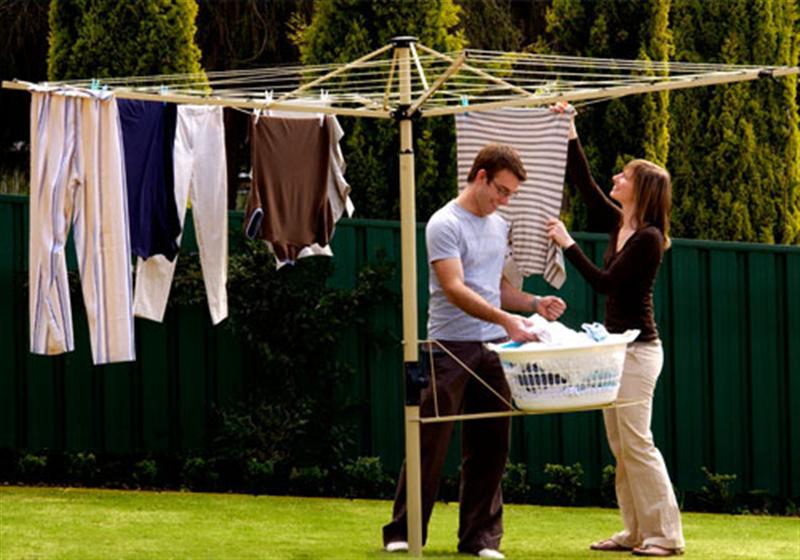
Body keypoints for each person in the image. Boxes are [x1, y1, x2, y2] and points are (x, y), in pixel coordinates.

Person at [382, 144, 566, 559]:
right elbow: (455, 287)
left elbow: (497, 289)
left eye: (510, 195)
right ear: (480, 177)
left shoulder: (499, 225)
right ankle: (404, 532)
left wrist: (534, 304)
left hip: (494, 348)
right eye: (501, 191)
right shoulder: (444, 223)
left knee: (492, 445)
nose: (504, 200)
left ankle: (480, 539)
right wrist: (506, 321)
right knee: (429, 441)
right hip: (448, 346)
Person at [545, 104, 685, 557]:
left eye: (624, 175)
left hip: (639, 352)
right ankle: (635, 532)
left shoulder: (647, 237)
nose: (616, 178)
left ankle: (665, 536)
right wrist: (568, 128)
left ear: (641, 188)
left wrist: (567, 244)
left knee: (638, 442)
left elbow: (605, 283)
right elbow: (584, 185)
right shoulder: (619, 223)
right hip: (615, 349)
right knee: (620, 444)